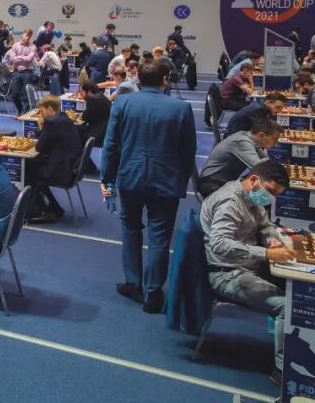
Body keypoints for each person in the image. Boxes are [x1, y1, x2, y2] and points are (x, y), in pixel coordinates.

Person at [101, 60, 196, 313]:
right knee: (159, 237)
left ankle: (133, 282)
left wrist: (106, 178)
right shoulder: (181, 108)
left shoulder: (122, 103)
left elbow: (110, 145)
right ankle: (153, 292)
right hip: (166, 181)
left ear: (139, 79)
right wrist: (181, 179)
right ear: (165, 79)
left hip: (130, 177)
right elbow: (188, 153)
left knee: (131, 228)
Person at [200, 161, 292, 382]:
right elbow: (219, 244)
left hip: (247, 264)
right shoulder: (230, 202)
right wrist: (266, 253)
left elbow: (265, 226)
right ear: (254, 180)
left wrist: (271, 240)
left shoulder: (250, 195)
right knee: (288, 308)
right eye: (271, 191)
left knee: (296, 291)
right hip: (226, 273)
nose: (271, 198)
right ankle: (282, 371)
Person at [26, 96, 82, 223]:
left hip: (61, 171)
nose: (42, 114)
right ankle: (55, 208)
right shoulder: (64, 118)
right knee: (34, 167)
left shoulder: (52, 122)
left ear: (50, 109)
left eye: (42, 110)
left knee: (28, 171)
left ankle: (40, 211)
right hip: (72, 166)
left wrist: (42, 128)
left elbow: (40, 147)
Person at [197, 118, 282, 198]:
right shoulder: (242, 142)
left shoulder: (250, 139)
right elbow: (261, 168)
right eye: (274, 139)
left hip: (224, 181)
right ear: (262, 135)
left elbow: (266, 161)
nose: (276, 143)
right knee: (261, 189)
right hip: (211, 184)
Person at [7, 29, 37, 114]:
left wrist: (18, 57)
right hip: (16, 72)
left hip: (27, 72)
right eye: (26, 35)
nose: (28, 37)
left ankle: (24, 113)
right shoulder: (15, 45)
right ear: (22, 35)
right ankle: (20, 110)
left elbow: (29, 59)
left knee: (25, 95)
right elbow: (12, 58)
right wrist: (23, 58)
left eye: (30, 36)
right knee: (14, 94)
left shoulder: (33, 47)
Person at [80, 82, 110, 149]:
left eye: (82, 92)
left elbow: (85, 118)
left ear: (89, 92)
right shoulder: (102, 96)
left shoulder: (92, 99)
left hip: (97, 134)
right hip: (105, 130)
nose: (81, 94)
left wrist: (81, 115)